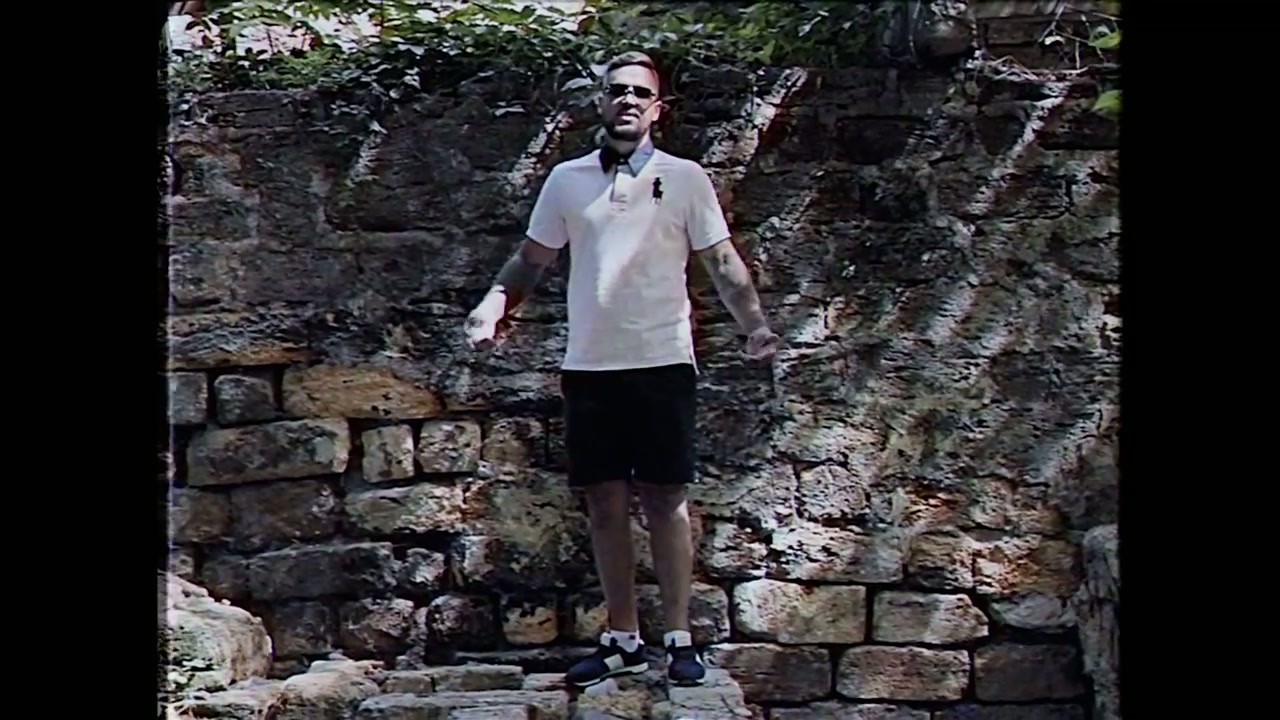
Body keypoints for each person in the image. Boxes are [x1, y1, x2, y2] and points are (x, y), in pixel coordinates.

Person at [462, 50, 781, 688]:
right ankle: (624, 638)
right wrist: (492, 306)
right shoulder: (567, 180)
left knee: (666, 500)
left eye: (640, 92)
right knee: (604, 504)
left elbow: (721, 261)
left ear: (657, 108)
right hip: (590, 367)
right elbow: (531, 259)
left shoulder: (685, 178)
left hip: (662, 361)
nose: (627, 100)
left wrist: (755, 325)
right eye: (617, 90)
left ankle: (680, 637)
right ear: (600, 103)